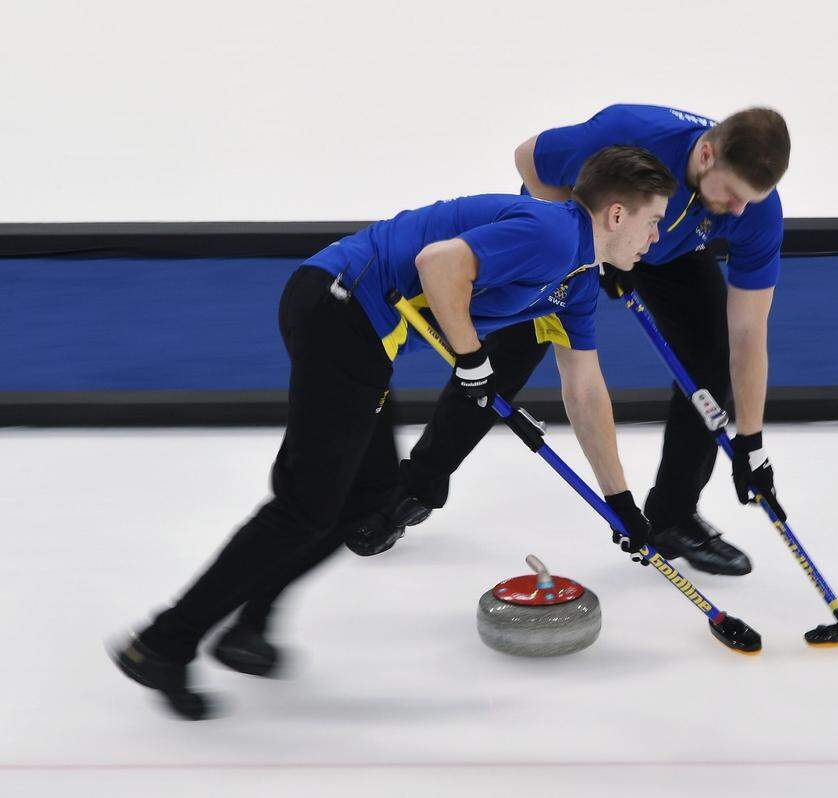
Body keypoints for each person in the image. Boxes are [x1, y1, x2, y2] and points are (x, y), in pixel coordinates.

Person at [110, 145, 676, 720]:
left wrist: (620, 503)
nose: (655, 238)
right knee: (305, 505)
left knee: (367, 498)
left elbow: (585, 389)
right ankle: (161, 644)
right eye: (653, 221)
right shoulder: (555, 232)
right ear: (615, 215)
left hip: (361, 327)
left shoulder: (578, 280)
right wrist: (473, 358)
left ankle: (248, 625)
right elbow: (439, 263)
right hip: (339, 304)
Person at [356, 105, 791, 577]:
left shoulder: (756, 211)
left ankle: (673, 516)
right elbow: (528, 158)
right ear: (706, 155)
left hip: (674, 248)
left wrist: (751, 441)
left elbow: (749, 331)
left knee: (712, 358)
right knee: (496, 368)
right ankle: (415, 490)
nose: (741, 209)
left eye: (752, 199)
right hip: (578, 231)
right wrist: (587, 250)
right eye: (732, 194)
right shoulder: (630, 131)